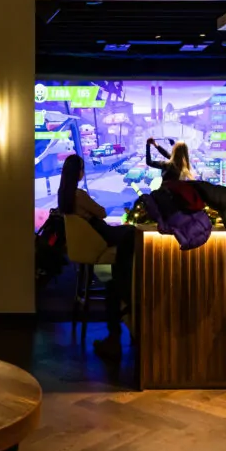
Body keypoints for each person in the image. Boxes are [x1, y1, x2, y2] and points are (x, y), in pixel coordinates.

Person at [58, 154, 136, 361]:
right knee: (132, 233)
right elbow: (101, 213)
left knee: (126, 237)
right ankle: (125, 280)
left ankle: (121, 278)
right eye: (82, 169)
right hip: (101, 235)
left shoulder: (64, 195)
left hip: (92, 241)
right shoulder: (79, 194)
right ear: (78, 172)